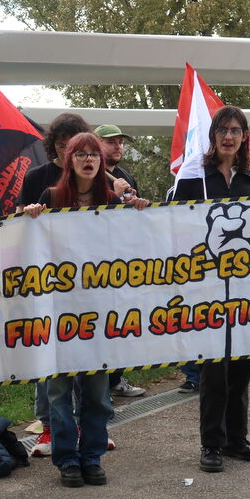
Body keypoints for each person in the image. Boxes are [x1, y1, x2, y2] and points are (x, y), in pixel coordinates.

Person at [24, 132, 147, 487]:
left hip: (98, 313)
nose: (90, 160)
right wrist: (29, 215)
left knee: (96, 391)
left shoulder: (112, 201)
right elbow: (25, 238)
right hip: (59, 311)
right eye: (82, 154)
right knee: (59, 391)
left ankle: (91, 456)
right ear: (70, 160)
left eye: (95, 154)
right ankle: (67, 459)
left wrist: (138, 213)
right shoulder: (50, 198)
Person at [173, 106, 250, 472]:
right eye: (222, 129)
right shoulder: (194, 176)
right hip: (206, 287)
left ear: (244, 137)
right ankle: (211, 443)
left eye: (236, 130)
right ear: (213, 135)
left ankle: (237, 439)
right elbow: (172, 225)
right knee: (214, 368)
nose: (228, 136)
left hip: (246, 287)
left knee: (242, 366)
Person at [15, 113, 91, 457]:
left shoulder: (103, 179)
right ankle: (49, 427)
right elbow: (18, 225)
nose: (69, 153)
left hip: (89, 286)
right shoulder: (38, 180)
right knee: (50, 357)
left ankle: (85, 426)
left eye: (75, 146)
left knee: (84, 356)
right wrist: (27, 214)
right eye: (62, 146)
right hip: (48, 282)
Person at [94, 123, 148, 397]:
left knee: (121, 321)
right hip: (97, 261)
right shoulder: (93, 177)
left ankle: (116, 378)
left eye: (120, 142)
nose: (117, 147)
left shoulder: (125, 175)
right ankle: (99, 386)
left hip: (123, 257)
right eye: (110, 142)